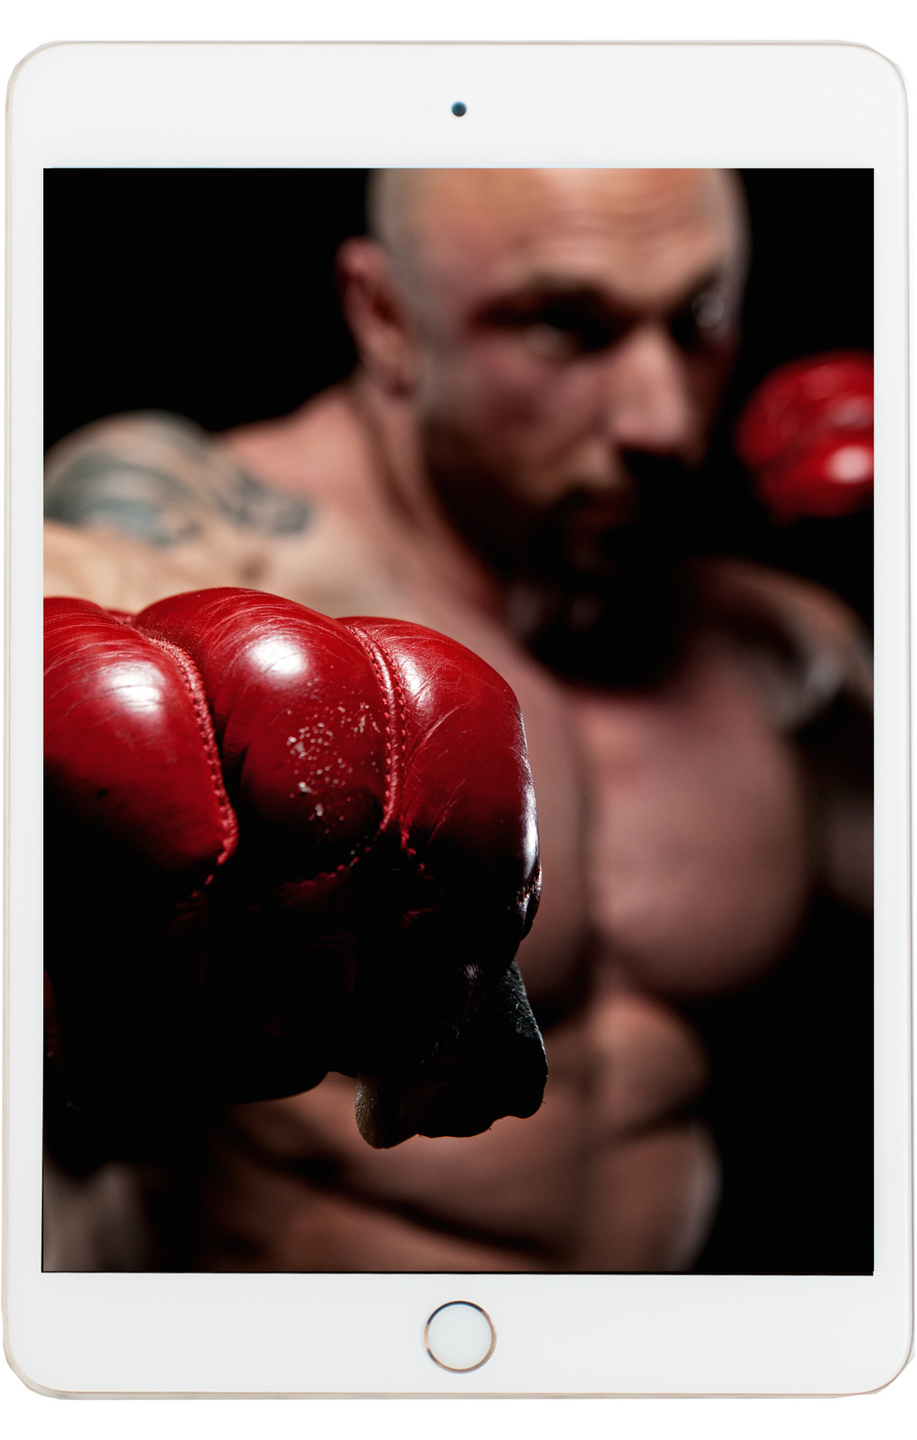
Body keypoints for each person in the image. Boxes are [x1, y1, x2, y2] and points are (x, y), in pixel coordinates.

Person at [42, 168, 872, 1274]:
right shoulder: (215, 543)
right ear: (385, 316)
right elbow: (68, 618)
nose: (661, 420)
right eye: (561, 326)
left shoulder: (780, 649)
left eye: (697, 320)